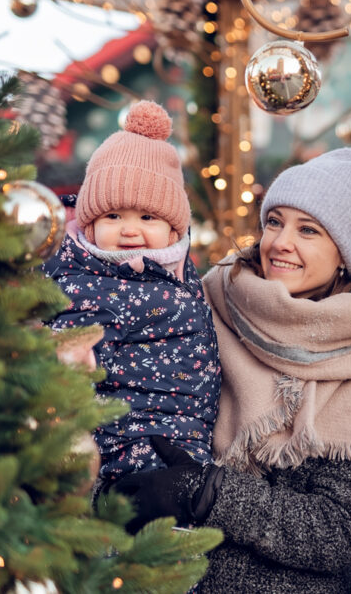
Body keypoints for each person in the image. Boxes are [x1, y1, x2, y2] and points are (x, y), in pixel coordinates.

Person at [112, 147, 351, 592]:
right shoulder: (207, 302)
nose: (279, 243)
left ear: (346, 255)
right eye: (274, 221)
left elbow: (335, 531)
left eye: (308, 230)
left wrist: (210, 493)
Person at [42, 100, 220, 491]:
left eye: (147, 218)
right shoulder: (84, 282)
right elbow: (68, 356)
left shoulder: (178, 272)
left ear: (173, 231)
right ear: (89, 225)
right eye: (113, 216)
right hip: (125, 446)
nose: (129, 231)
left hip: (184, 441)